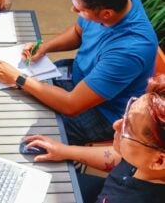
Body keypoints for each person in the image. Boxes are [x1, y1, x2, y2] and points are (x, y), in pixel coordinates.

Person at [0, 0, 158, 145]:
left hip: (102, 112)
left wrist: (18, 78)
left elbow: (71, 105)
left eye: (79, 9)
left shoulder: (129, 51)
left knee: (25, 137)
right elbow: (79, 32)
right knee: (15, 97)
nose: (73, 10)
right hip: (78, 77)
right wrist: (45, 47)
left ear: (106, 14)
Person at [24, 74, 165, 203]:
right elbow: (120, 156)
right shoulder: (144, 157)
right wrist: (65, 151)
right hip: (107, 187)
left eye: (129, 129)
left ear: (159, 161)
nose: (116, 124)